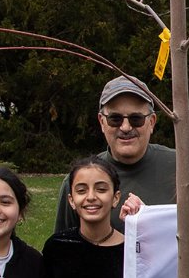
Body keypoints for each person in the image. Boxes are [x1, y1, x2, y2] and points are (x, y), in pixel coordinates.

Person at [53, 75, 177, 233]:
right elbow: (62, 248)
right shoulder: (80, 181)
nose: (125, 127)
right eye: (115, 119)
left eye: (136, 119)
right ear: (102, 122)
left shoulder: (182, 169)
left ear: (151, 122)